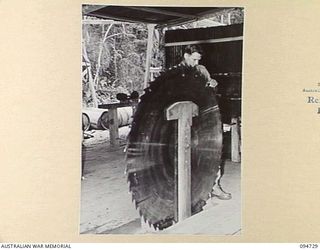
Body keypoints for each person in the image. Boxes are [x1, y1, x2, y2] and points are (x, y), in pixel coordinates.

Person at [181, 44, 232, 200]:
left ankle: (214, 187)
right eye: (194, 59)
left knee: (212, 151)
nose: (197, 63)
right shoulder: (176, 73)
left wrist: (213, 85)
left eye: (199, 60)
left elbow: (210, 88)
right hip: (186, 119)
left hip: (204, 115)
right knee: (189, 156)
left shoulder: (202, 70)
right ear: (186, 55)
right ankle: (193, 191)